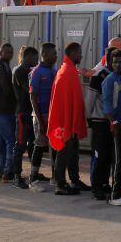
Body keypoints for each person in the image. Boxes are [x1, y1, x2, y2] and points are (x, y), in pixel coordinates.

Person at [47, 42, 90, 195]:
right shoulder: (66, 72)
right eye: (79, 52)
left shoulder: (69, 70)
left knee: (73, 152)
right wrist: (68, 123)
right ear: (72, 54)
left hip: (69, 121)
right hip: (65, 122)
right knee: (64, 152)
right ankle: (60, 184)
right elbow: (64, 102)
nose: (81, 55)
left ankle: (74, 180)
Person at [86, 47, 116, 200]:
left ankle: (104, 183)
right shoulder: (99, 75)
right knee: (99, 155)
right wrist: (88, 118)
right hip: (99, 121)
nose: (117, 62)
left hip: (113, 123)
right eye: (113, 59)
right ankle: (96, 186)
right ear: (108, 59)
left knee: (108, 155)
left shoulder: (119, 75)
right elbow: (90, 99)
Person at [102, 50, 121, 206]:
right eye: (116, 62)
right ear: (111, 64)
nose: (119, 64)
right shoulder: (109, 81)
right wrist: (113, 123)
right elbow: (107, 107)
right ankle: (116, 194)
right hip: (118, 125)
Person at [29, 43, 57, 190]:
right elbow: (33, 97)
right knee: (39, 146)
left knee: (55, 147)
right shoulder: (37, 72)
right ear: (45, 55)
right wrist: (40, 122)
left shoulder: (54, 70)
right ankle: (33, 180)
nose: (56, 56)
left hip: (53, 115)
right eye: (54, 54)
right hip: (41, 116)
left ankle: (54, 177)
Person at [12, 46, 40, 190]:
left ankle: (34, 172)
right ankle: (16, 176)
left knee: (32, 144)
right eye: (35, 58)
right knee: (20, 145)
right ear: (28, 57)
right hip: (22, 112)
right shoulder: (20, 71)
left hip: (29, 112)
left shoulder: (27, 71)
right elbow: (28, 89)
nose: (37, 61)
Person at [0, 43, 17, 183]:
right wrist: (16, 100)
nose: (9, 54)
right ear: (1, 53)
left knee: (1, 142)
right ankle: (8, 171)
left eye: (11, 52)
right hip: (4, 110)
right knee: (11, 141)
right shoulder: (2, 67)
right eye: (7, 52)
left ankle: (2, 170)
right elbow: (6, 89)